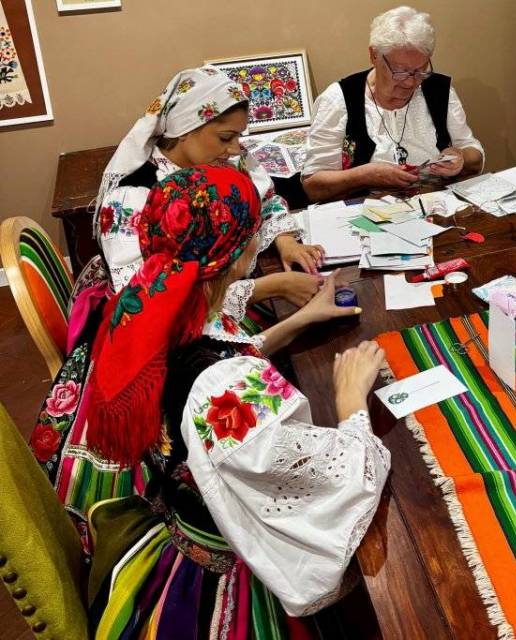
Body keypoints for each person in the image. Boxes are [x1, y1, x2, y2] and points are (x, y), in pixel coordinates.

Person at [63, 165, 388, 635]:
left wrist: (300, 321)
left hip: (177, 517)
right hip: (219, 570)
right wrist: (352, 401)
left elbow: (210, 365)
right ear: (239, 254)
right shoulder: (221, 386)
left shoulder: (150, 307)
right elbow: (328, 478)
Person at [92, 66, 325, 327]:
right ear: (185, 130)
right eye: (226, 137)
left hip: (232, 296)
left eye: (238, 136)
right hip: (171, 328)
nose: (235, 148)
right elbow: (142, 302)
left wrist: (286, 241)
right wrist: (268, 288)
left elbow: (265, 202)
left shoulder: (226, 160)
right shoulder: (133, 197)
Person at [301, 5, 484, 202]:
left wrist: (460, 157)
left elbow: (475, 155)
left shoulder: (438, 90)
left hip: (437, 208)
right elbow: (313, 187)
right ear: (374, 55)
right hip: (364, 214)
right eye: (400, 71)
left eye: (420, 70)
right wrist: (363, 176)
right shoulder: (338, 100)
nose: (410, 82)